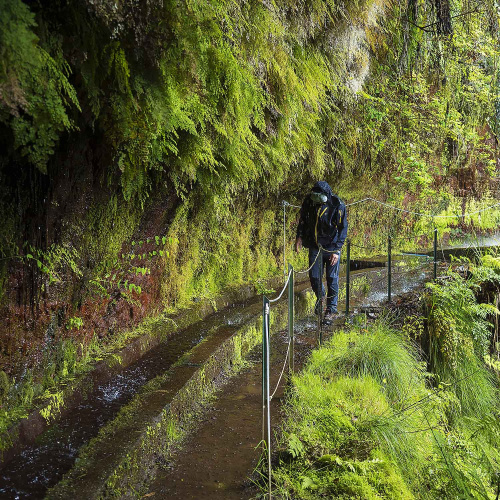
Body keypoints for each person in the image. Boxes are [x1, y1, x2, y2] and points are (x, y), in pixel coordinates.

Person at [295, 181, 348, 324]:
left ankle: (331, 310)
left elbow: (343, 228)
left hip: (332, 247)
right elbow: (303, 220)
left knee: (332, 278)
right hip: (314, 245)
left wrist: (337, 250)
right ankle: (321, 296)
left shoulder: (337, 205)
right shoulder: (309, 202)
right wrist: (299, 237)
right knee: (314, 276)